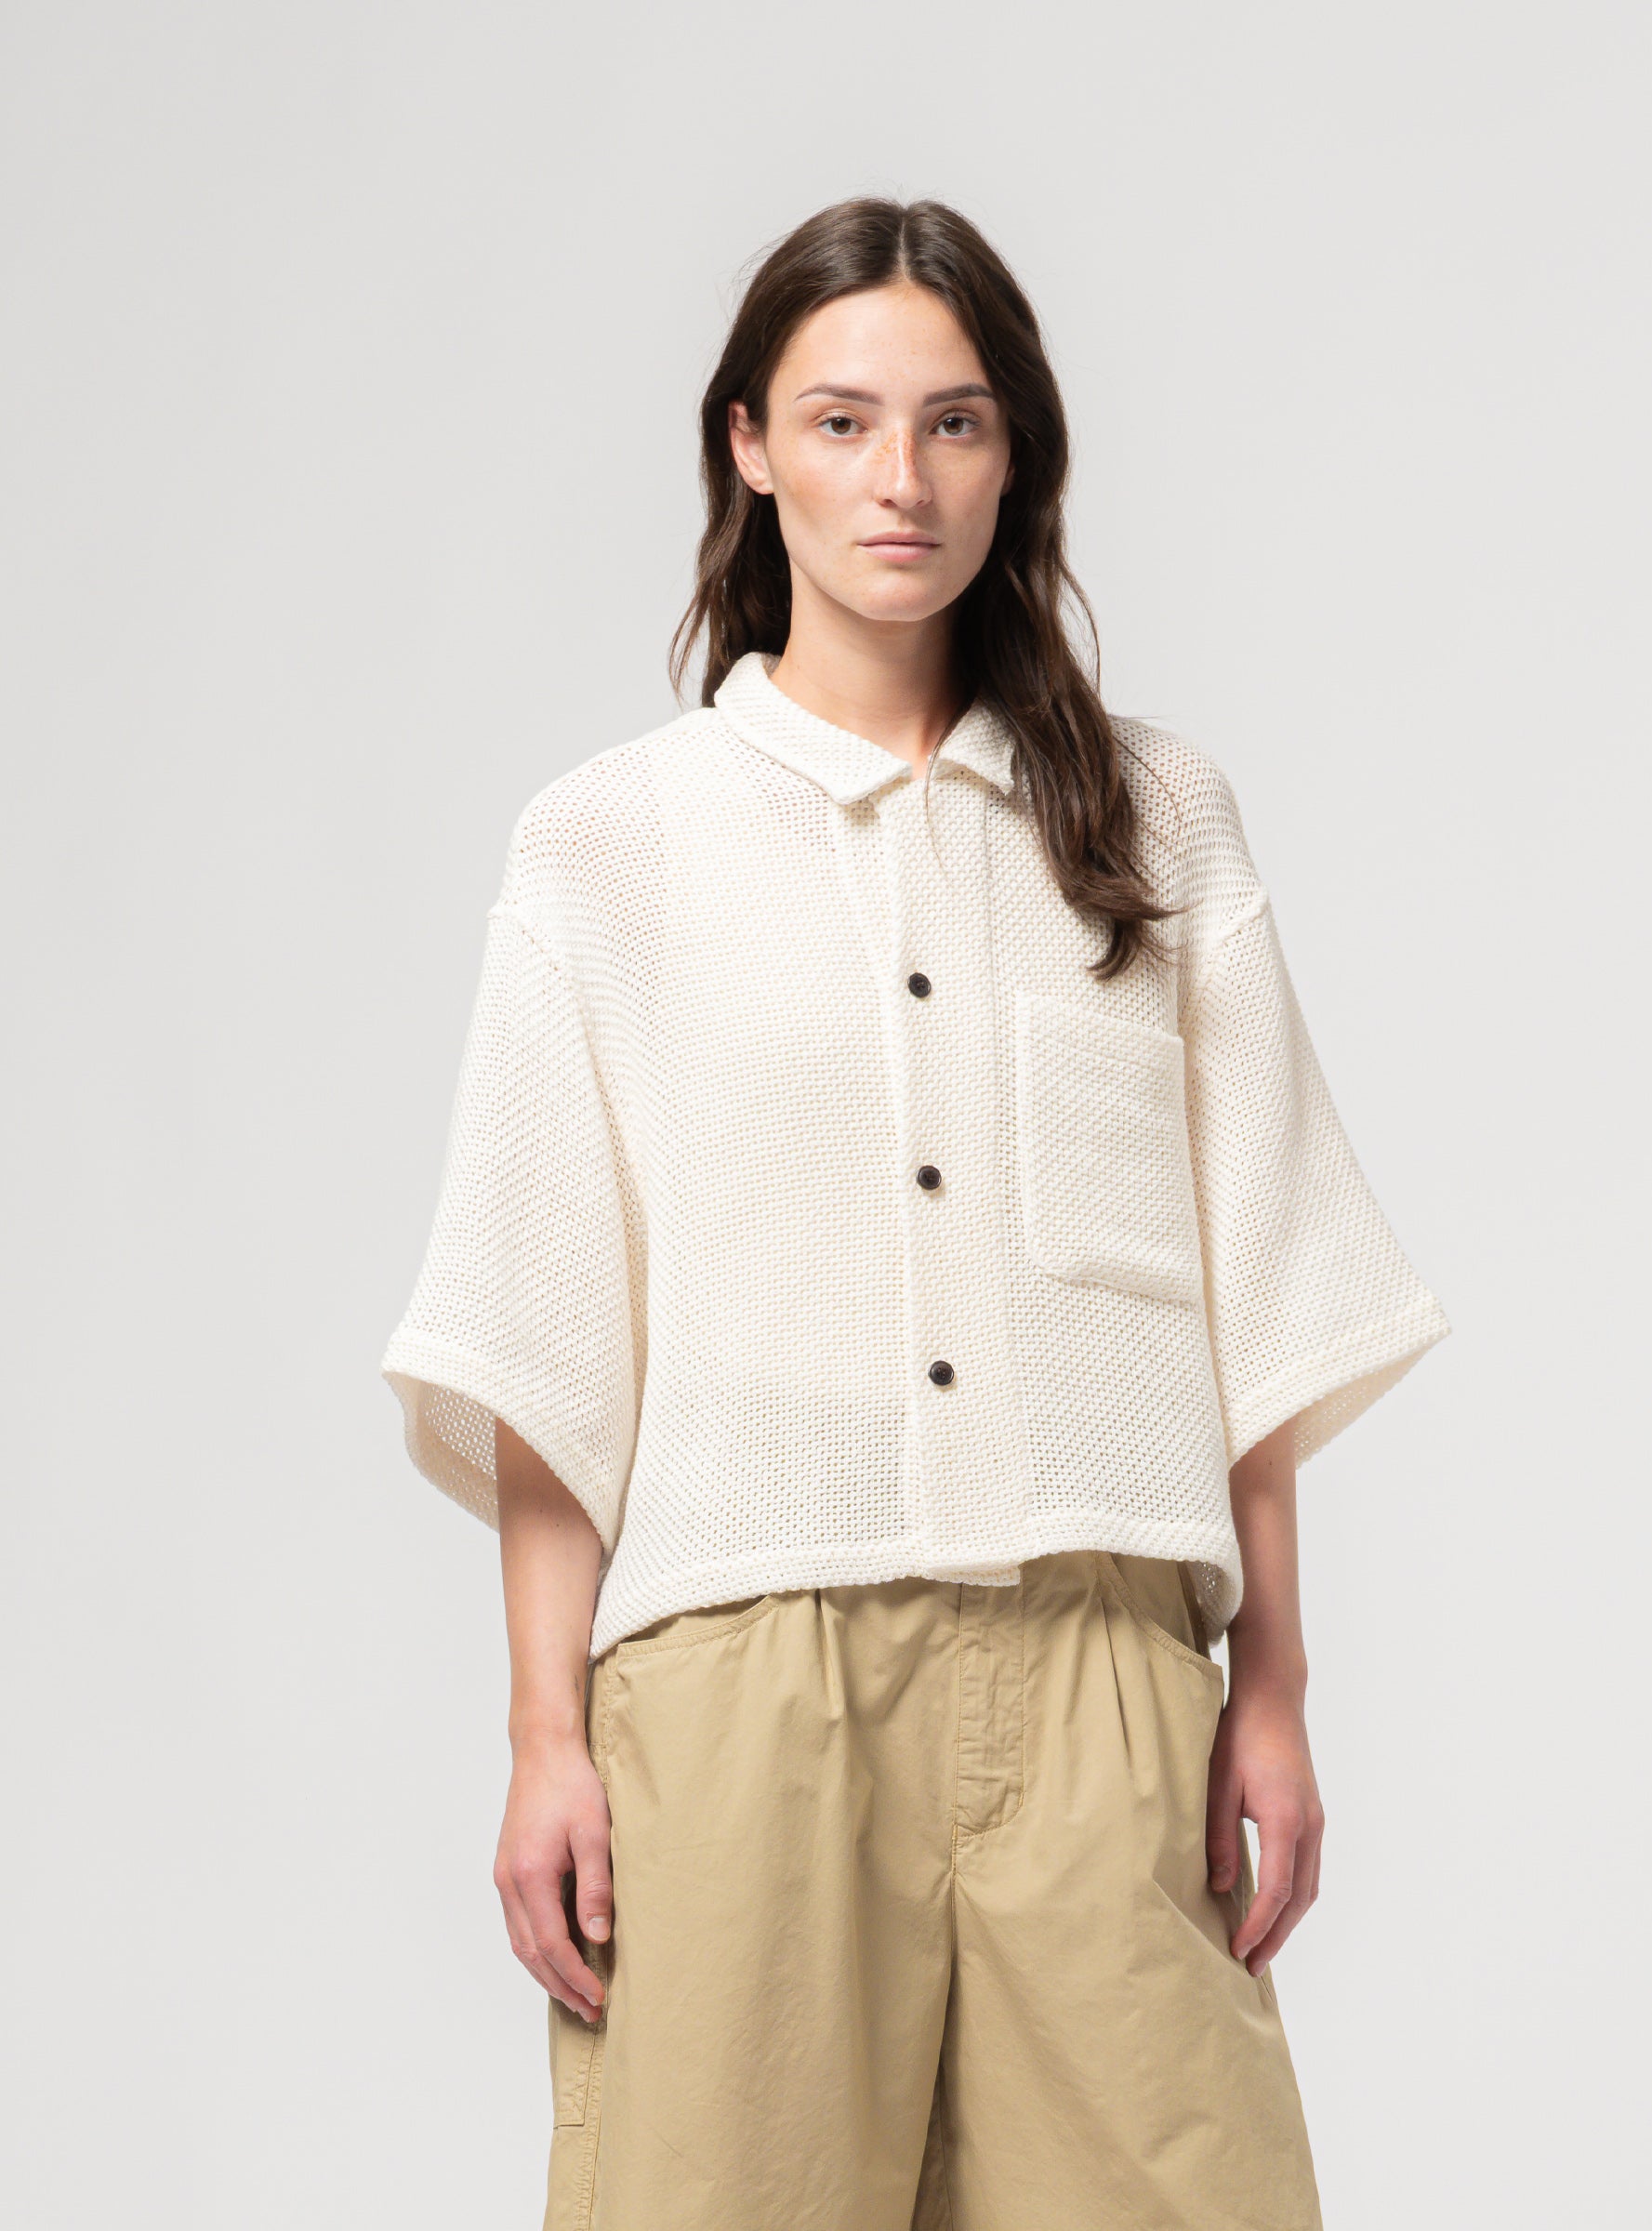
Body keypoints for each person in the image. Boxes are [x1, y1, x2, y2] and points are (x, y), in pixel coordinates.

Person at [381, 195, 1449, 2231]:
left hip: (1107, 1672)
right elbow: (544, 1334)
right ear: (749, 446)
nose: (903, 478)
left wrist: (1278, 1686)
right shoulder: (610, 846)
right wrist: (541, 1736)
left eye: (955, 422)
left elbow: (1255, 1293)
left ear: (1015, 452)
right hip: (745, 1685)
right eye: (844, 420)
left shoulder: (1157, 821)